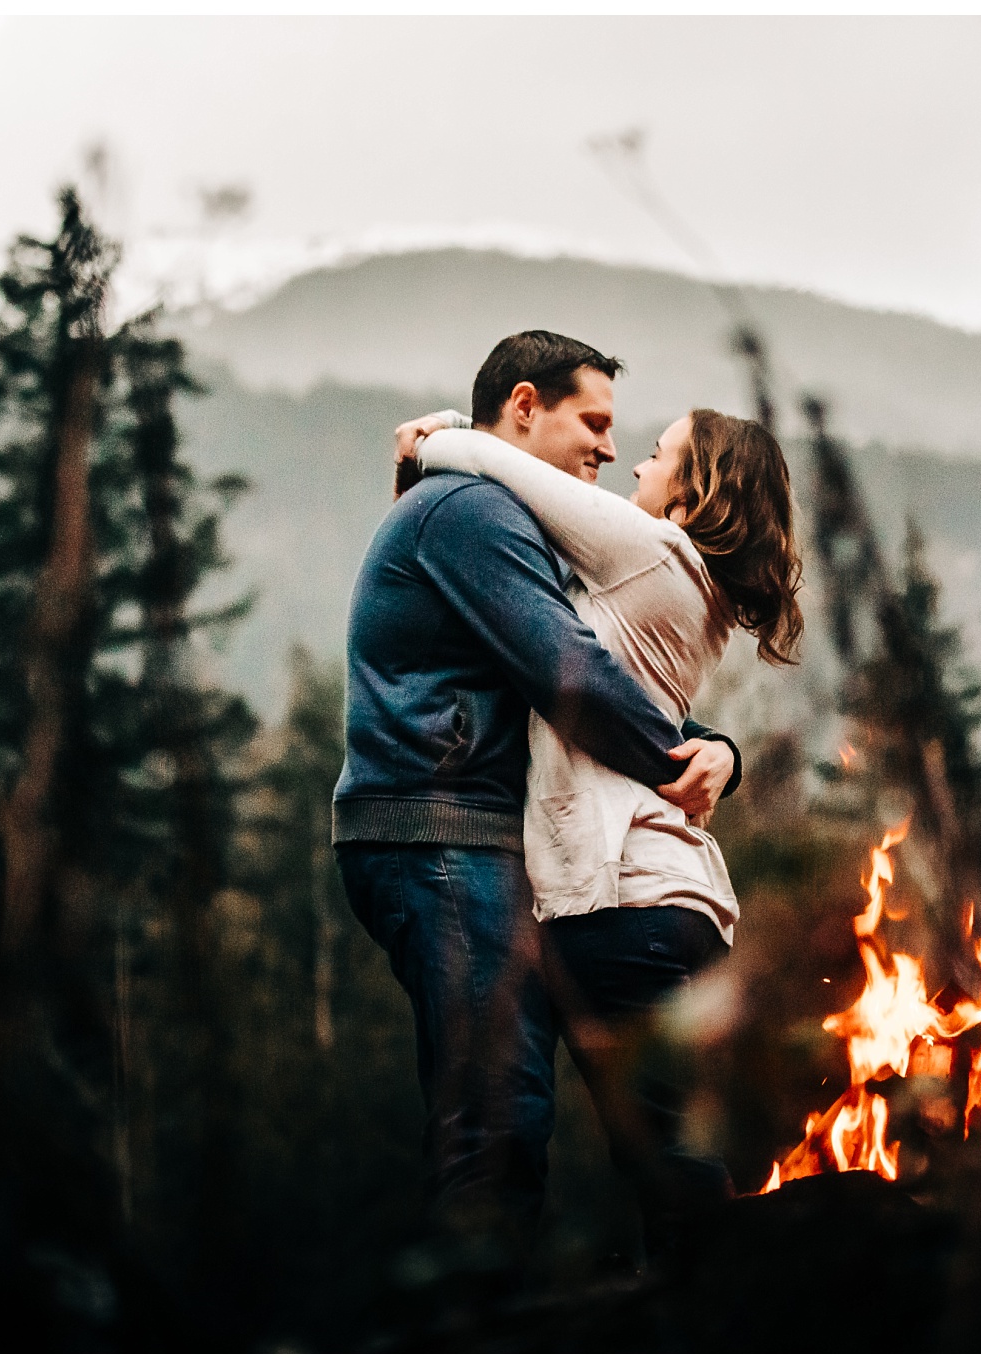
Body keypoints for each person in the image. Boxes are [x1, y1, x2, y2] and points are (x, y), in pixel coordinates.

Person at [331, 331, 742, 1287]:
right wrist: (674, 760)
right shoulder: (473, 510)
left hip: (466, 832)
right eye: (592, 423)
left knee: (511, 1111)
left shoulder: (485, 510)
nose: (607, 448)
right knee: (495, 1116)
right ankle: (477, 1330)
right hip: (440, 831)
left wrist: (716, 747)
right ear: (524, 406)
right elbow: (568, 670)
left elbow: (591, 658)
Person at [392, 395, 803, 1266]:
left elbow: (516, 475)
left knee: (669, 1169)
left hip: (630, 900)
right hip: (669, 903)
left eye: (657, 455)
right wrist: (724, 751)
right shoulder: (691, 583)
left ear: (692, 496)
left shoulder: (647, 547)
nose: (635, 468)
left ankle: (744, 1319)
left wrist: (440, 438)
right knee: (667, 1159)